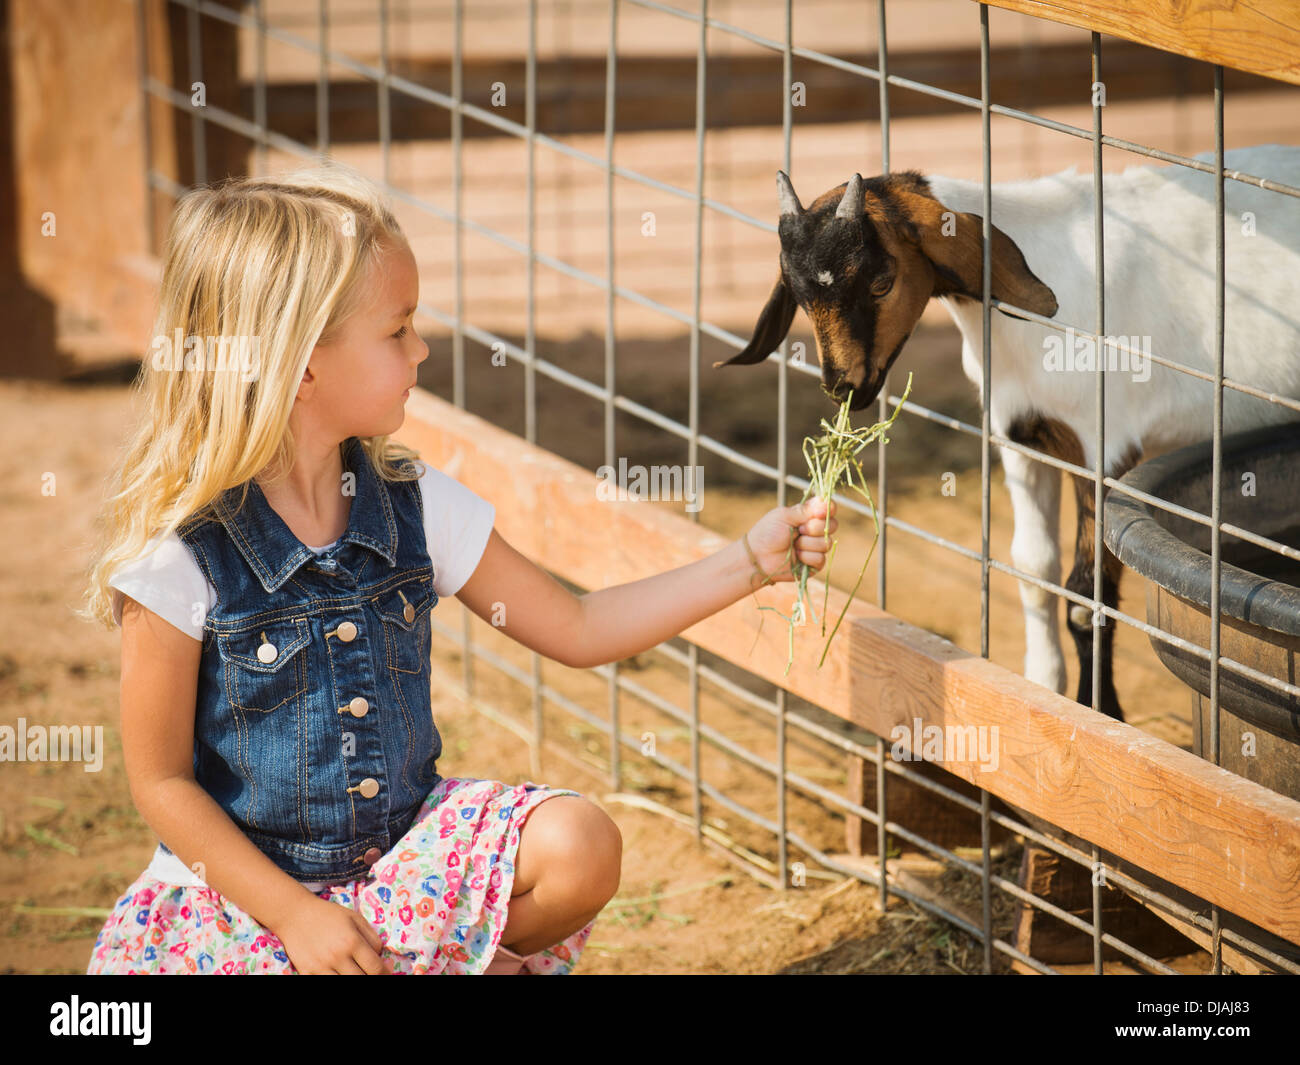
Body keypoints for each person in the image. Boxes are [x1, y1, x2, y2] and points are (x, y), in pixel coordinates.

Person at [77, 161, 837, 976]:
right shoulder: (180, 557)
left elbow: (580, 627)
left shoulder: (415, 505)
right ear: (301, 366)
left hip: (405, 871)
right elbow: (162, 782)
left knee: (579, 843)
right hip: (250, 900)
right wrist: (295, 915)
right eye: (397, 329)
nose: (423, 348)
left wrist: (745, 564)